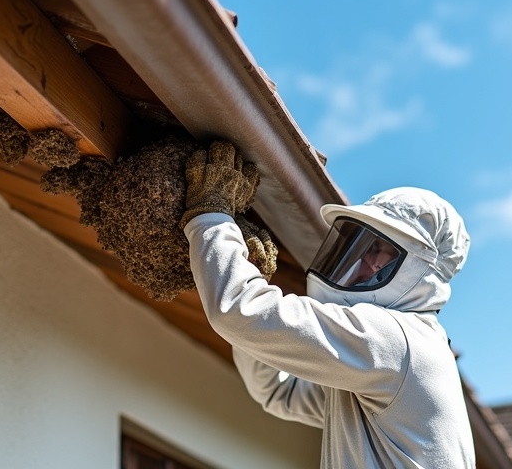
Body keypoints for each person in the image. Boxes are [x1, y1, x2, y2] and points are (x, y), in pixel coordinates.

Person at [180, 140, 476, 469]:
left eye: (382, 252)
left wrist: (211, 216)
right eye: (365, 246)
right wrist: (251, 273)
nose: (367, 263)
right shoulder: (391, 362)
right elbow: (281, 392)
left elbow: (238, 311)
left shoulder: (397, 341)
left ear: (420, 271)